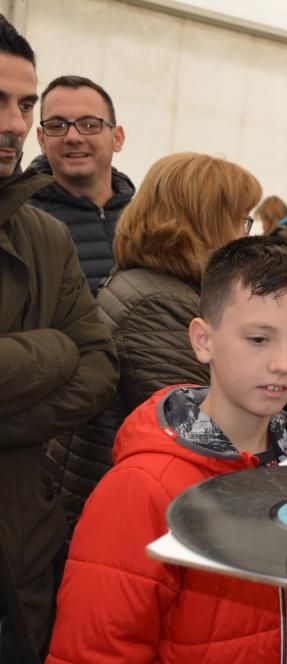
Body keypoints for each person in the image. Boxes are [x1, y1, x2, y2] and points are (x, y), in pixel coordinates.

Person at [47, 236, 287, 663]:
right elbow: (96, 650)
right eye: (259, 339)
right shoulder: (142, 490)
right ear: (203, 341)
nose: (283, 364)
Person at [48, 152, 262, 532]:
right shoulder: (158, 303)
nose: (245, 236)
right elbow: (205, 429)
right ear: (205, 223)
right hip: (126, 517)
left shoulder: (151, 285)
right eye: (241, 221)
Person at [0, 19, 118, 664]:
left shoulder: (42, 236)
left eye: (23, 104)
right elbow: (77, 352)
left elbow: (99, 364)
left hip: (25, 538)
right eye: (0, 102)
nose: (16, 124)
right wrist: (52, 350)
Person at [29, 75, 134, 294]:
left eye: (89, 125)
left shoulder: (148, 220)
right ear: (41, 140)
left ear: (118, 138)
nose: (73, 137)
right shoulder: (21, 222)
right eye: (57, 126)